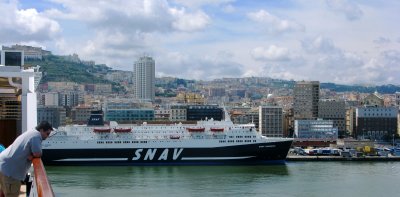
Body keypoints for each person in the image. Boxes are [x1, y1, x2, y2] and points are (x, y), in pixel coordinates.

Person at [0, 121, 53, 197]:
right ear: (41, 130)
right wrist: (33, 155)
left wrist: (31, 155)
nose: (47, 136)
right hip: (10, 172)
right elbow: (38, 153)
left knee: (3, 192)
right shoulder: (36, 136)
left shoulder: (31, 132)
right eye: (47, 134)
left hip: (4, 165)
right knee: (12, 194)